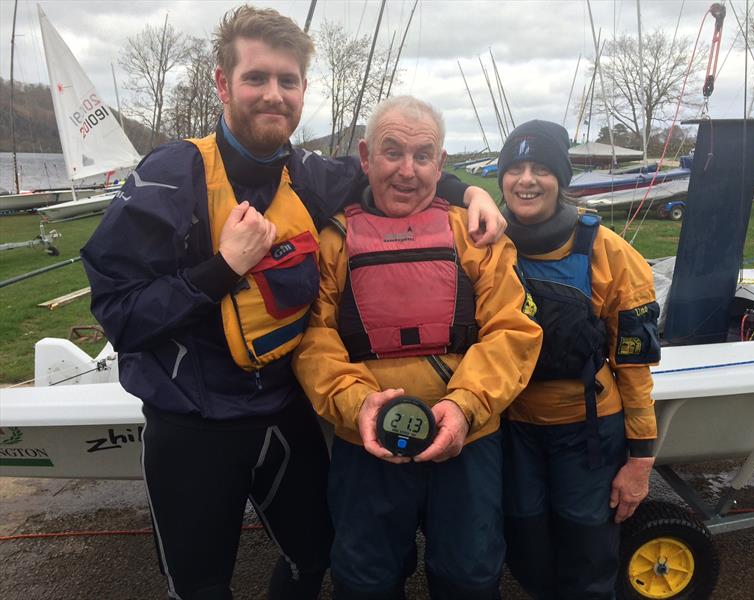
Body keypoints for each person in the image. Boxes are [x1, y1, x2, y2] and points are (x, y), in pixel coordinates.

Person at [80, 6, 505, 600]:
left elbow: (396, 172)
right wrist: (222, 268)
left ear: (303, 91)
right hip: (193, 426)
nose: (272, 95)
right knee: (201, 588)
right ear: (223, 84)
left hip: (282, 414)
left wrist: (472, 190)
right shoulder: (168, 178)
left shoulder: (309, 175)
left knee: (315, 559)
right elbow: (120, 316)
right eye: (256, 78)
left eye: (287, 81)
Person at [291, 95, 542, 600]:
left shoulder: (475, 235)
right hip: (367, 445)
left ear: (440, 164)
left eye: (422, 156)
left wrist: (463, 407)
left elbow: (513, 331)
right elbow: (314, 340)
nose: (408, 171)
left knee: (470, 577)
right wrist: (357, 404)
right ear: (365, 156)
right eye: (392, 152)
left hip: (468, 442)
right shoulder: (333, 240)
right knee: (365, 579)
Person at [497, 120, 660, 600]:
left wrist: (641, 461)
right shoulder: (486, 245)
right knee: (524, 546)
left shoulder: (610, 253)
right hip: (513, 430)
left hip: (588, 433)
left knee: (587, 553)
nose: (527, 180)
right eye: (516, 168)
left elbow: (634, 365)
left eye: (541, 169)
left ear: (561, 179)